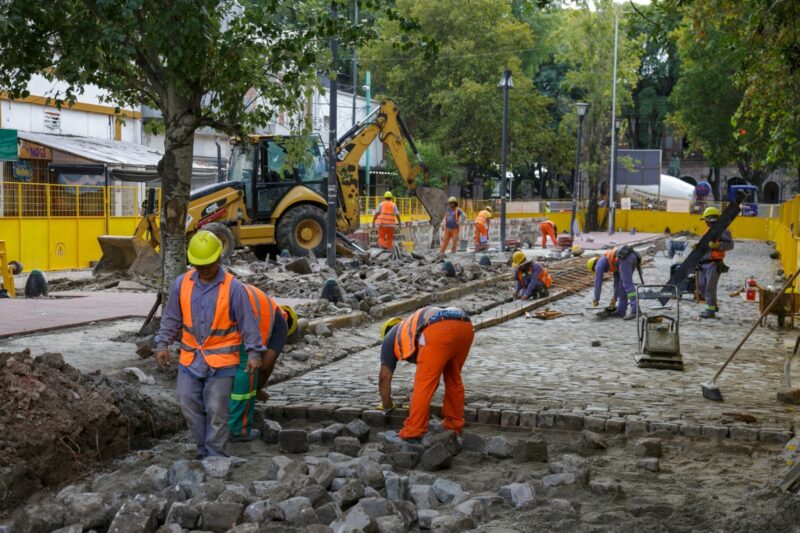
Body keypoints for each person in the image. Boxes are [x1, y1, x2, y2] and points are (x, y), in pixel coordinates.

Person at [155, 230, 265, 459]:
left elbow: (248, 323)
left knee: (217, 409)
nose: (203, 270)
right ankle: (202, 450)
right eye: (199, 265)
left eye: (208, 265)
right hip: (191, 359)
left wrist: (254, 353)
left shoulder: (233, 288)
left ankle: (216, 456)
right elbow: (171, 317)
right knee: (187, 402)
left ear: (218, 259)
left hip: (222, 362)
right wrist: (162, 343)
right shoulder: (182, 284)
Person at [378, 306, 474, 442]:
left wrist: (387, 405)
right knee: (454, 379)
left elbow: (384, 377)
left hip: (439, 327)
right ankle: (454, 424)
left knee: (423, 383)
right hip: (465, 325)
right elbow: (434, 378)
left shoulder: (390, 338)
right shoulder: (413, 328)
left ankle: (412, 432)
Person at [228, 284, 290, 442]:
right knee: (248, 369)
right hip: (243, 323)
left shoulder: (263, 302)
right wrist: (256, 389)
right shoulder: (281, 324)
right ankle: (238, 429)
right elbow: (265, 366)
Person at [698, 206, 734, 319]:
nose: (705, 223)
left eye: (706, 220)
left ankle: (710, 311)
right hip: (704, 263)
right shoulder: (709, 231)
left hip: (714, 263)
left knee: (710, 288)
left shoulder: (723, 231)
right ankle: (713, 305)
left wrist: (718, 245)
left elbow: (730, 245)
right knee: (701, 286)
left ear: (711, 219)